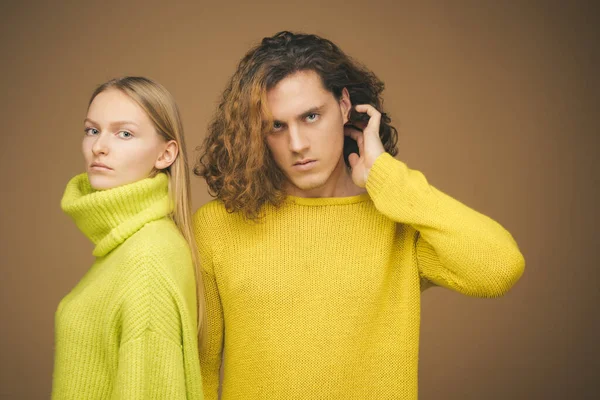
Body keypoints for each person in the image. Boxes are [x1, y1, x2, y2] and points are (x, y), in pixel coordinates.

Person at [193, 31, 525, 399]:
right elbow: (200, 369)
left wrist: (386, 176)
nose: (298, 144)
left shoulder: (397, 220)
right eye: (276, 126)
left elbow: (499, 267)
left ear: (345, 106)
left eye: (311, 116)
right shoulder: (217, 226)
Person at [53, 77, 203, 399]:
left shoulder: (146, 259)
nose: (98, 147)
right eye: (93, 130)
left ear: (165, 155)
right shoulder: (127, 243)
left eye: (124, 133)